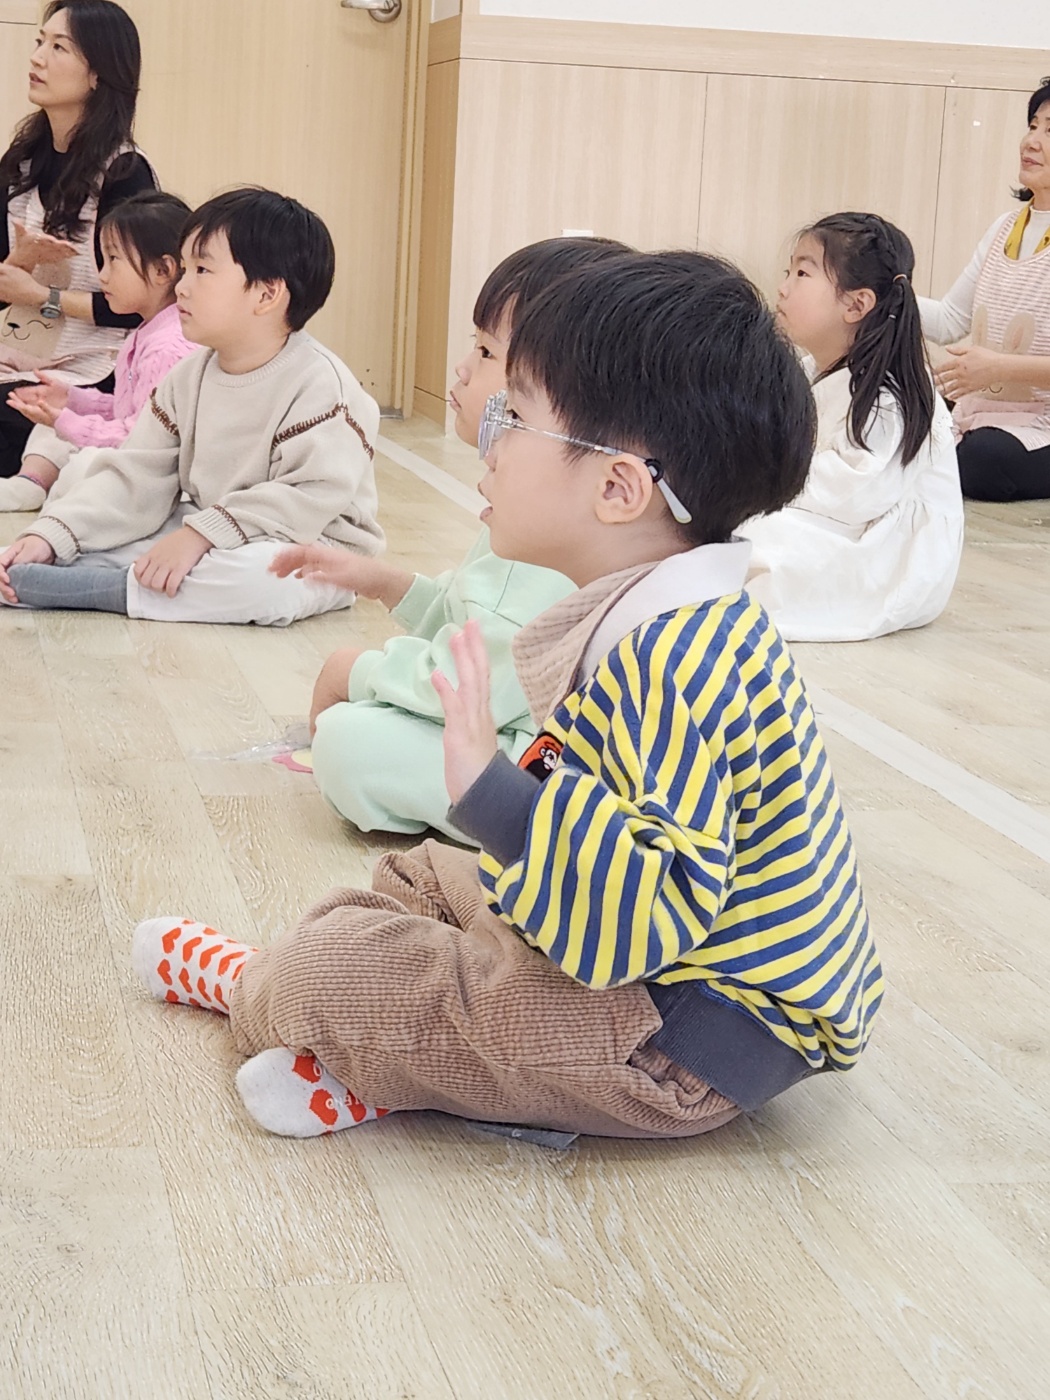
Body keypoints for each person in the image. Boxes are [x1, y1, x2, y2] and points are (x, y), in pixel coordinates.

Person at [130, 250, 883, 1143]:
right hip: (650, 974)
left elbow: (649, 914)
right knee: (424, 877)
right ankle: (407, 1051)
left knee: (332, 972)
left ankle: (275, 991)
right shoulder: (664, 614)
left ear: (617, 487)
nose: (489, 437)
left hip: (680, 1042)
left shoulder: (673, 662)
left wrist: (493, 788)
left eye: (515, 417)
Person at [274, 237, 628, 841]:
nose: (463, 368)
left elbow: (470, 679)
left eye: (487, 351)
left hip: (548, 767)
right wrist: (385, 583)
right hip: (535, 727)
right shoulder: (548, 506)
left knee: (348, 743)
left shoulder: (545, 529)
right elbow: (475, 617)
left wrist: (354, 671)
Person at [0, 187, 383, 626]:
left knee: (262, 579)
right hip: (213, 525)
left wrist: (201, 535)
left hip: (315, 546)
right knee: (107, 531)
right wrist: (51, 536)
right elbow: (137, 475)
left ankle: (99, 589)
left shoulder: (323, 385)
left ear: (266, 294)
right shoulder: (188, 377)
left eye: (202, 270)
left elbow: (308, 497)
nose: (181, 286)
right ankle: (28, 568)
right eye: (184, 269)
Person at [743, 212, 962, 642]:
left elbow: (856, 493)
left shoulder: (887, 394)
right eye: (788, 272)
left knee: (752, 538)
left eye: (802, 273)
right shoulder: (812, 368)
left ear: (856, 305)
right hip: (840, 520)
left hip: (890, 555)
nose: (783, 287)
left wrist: (763, 486)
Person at [0, 1, 157, 479]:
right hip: (17, 352)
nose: (37, 58)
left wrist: (42, 296)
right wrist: (19, 264)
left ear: (97, 74)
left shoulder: (125, 173)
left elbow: (137, 304)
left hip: (91, 370)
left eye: (59, 47)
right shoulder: (22, 162)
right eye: (39, 42)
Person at [1, 190, 195, 512]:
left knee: (83, 461)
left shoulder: (168, 348)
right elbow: (126, 409)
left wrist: (69, 422)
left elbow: (143, 440)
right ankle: (30, 483)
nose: (102, 276)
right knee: (55, 424)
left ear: (163, 270)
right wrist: (72, 399)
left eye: (113, 260)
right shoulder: (146, 332)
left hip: (152, 471)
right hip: (133, 444)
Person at [921, 77, 1050, 501]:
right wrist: (883, 294)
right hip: (984, 411)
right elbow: (948, 321)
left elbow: (996, 367)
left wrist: (999, 369)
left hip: (1040, 424)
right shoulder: (1004, 228)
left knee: (983, 460)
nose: (1031, 141)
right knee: (904, 414)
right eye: (1033, 125)